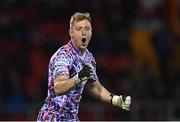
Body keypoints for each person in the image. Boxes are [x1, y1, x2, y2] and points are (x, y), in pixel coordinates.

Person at [37, 12, 131, 121]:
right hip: (53, 117)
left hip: (72, 118)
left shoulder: (88, 58)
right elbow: (58, 88)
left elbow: (94, 87)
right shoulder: (64, 56)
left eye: (87, 29)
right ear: (71, 33)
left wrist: (116, 100)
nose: (83, 33)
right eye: (79, 29)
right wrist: (79, 77)